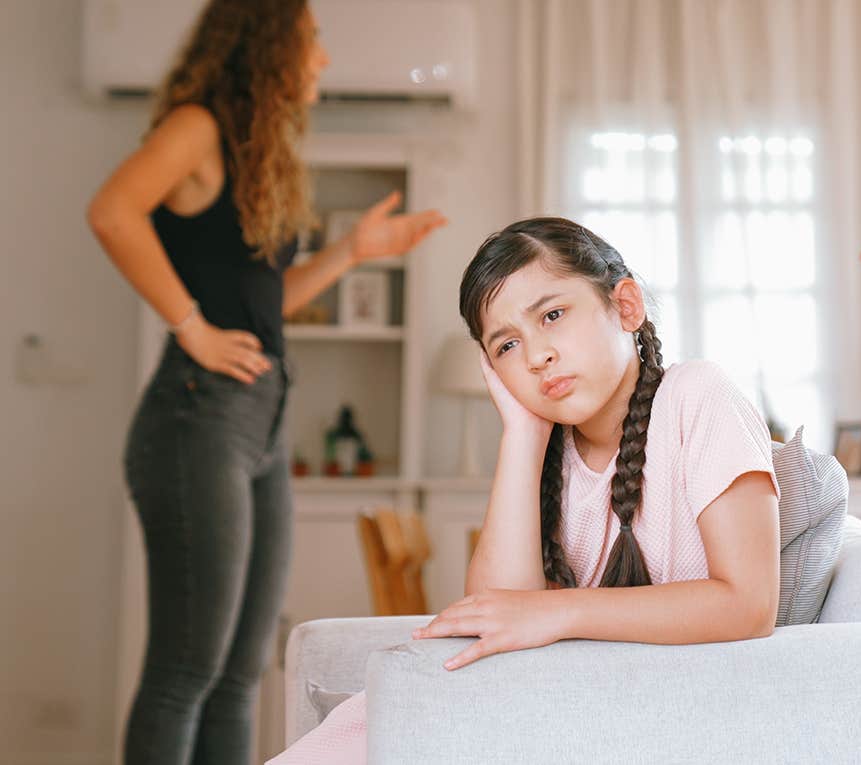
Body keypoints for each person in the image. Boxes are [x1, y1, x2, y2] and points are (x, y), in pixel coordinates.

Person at [269, 217, 781, 762]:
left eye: (553, 316)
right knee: (377, 718)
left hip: (668, 713)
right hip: (572, 706)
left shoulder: (698, 396)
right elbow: (496, 618)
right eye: (508, 346)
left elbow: (749, 604)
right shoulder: (549, 455)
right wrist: (523, 433)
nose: (536, 356)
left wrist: (558, 611)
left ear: (626, 306)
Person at [86, 2, 445, 761]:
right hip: (197, 417)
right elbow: (113, 211)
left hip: (263, 419)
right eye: (310, 42)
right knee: (187, 668)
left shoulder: (257, 154)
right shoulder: (199, 125)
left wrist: (353, 250)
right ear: (269, 44)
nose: (320, 60)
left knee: (240, 672)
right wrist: (191, 325)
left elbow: (264, 302)